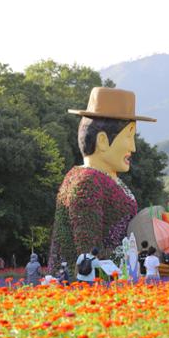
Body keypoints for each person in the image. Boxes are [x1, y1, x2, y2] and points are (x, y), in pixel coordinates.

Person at [48, 88, 155, 272]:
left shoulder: (112, 180)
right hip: (85, 283)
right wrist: (138, 256)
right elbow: (89, 252)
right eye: (129, 136)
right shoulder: (86, 182)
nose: (133, 147)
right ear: (103, 140)